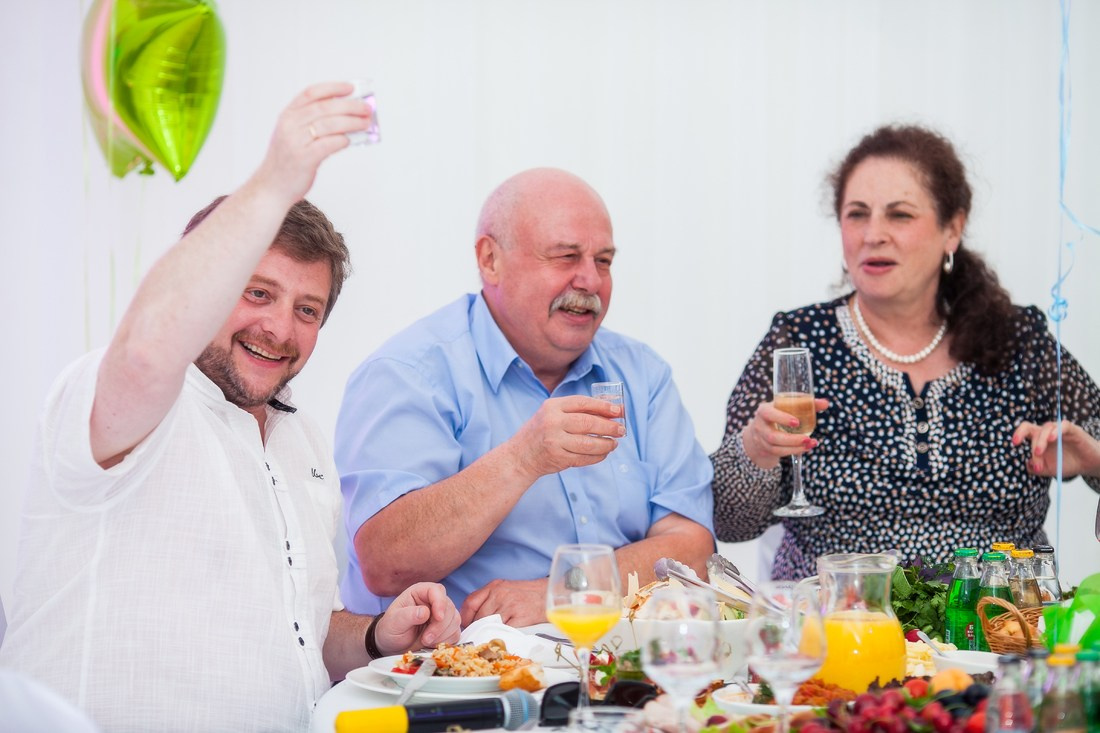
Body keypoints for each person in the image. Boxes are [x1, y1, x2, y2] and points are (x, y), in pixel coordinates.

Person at [0, 83, 460, 732]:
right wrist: (275, 181)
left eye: (307, 309)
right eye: (256, 292)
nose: (280, 328)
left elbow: (303, 634)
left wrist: (377, 635)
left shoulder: (304, 441)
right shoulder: (129, 404)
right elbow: (147, 353)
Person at [710, 124, 1100, 580]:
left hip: (1000, 616)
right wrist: (756, 450)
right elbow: (729, 522)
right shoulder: (798, 340)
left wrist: (1094, 458)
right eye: (857, 214)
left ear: (952, 229)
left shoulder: (1020, 341)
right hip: (839, 615)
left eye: (899, 215)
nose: (873, 234)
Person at [335, 167, 715, 625]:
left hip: (619, 658)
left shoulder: (643, 374)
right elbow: (386, 563)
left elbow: (693, 550)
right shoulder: (408, 373)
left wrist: (566, 593)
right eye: (565, 257)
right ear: (490, 260)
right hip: (462, 664)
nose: (590, 281)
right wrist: (522, 459)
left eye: (604, 261)